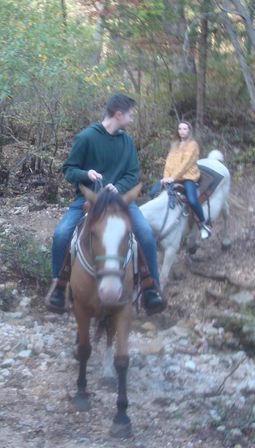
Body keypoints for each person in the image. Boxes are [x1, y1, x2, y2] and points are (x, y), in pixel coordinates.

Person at [45, 93, 165, 315]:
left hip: (120, 200)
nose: (131, 119)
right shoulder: (86, 137)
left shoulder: (126, 141)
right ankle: (59, 288)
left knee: (146, 234)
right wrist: (86, 173)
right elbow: (69, 170)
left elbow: (132, 174)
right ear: (118, 114)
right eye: (129, 115)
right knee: (62, 234)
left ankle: (151, 290)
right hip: (88, 199)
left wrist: (117, 187)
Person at [150, 121, 212, 239]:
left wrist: (172, 177)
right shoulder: (175, 144)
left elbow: (186, 164)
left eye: (184, 129)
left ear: (189, 130)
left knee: (193, 200)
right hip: (172, 177)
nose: (182, 131)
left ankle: (203, 224)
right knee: (153, 192)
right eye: (180, 129)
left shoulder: (192, 145)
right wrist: (165, 177)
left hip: (188, 177)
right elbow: (169, 163)